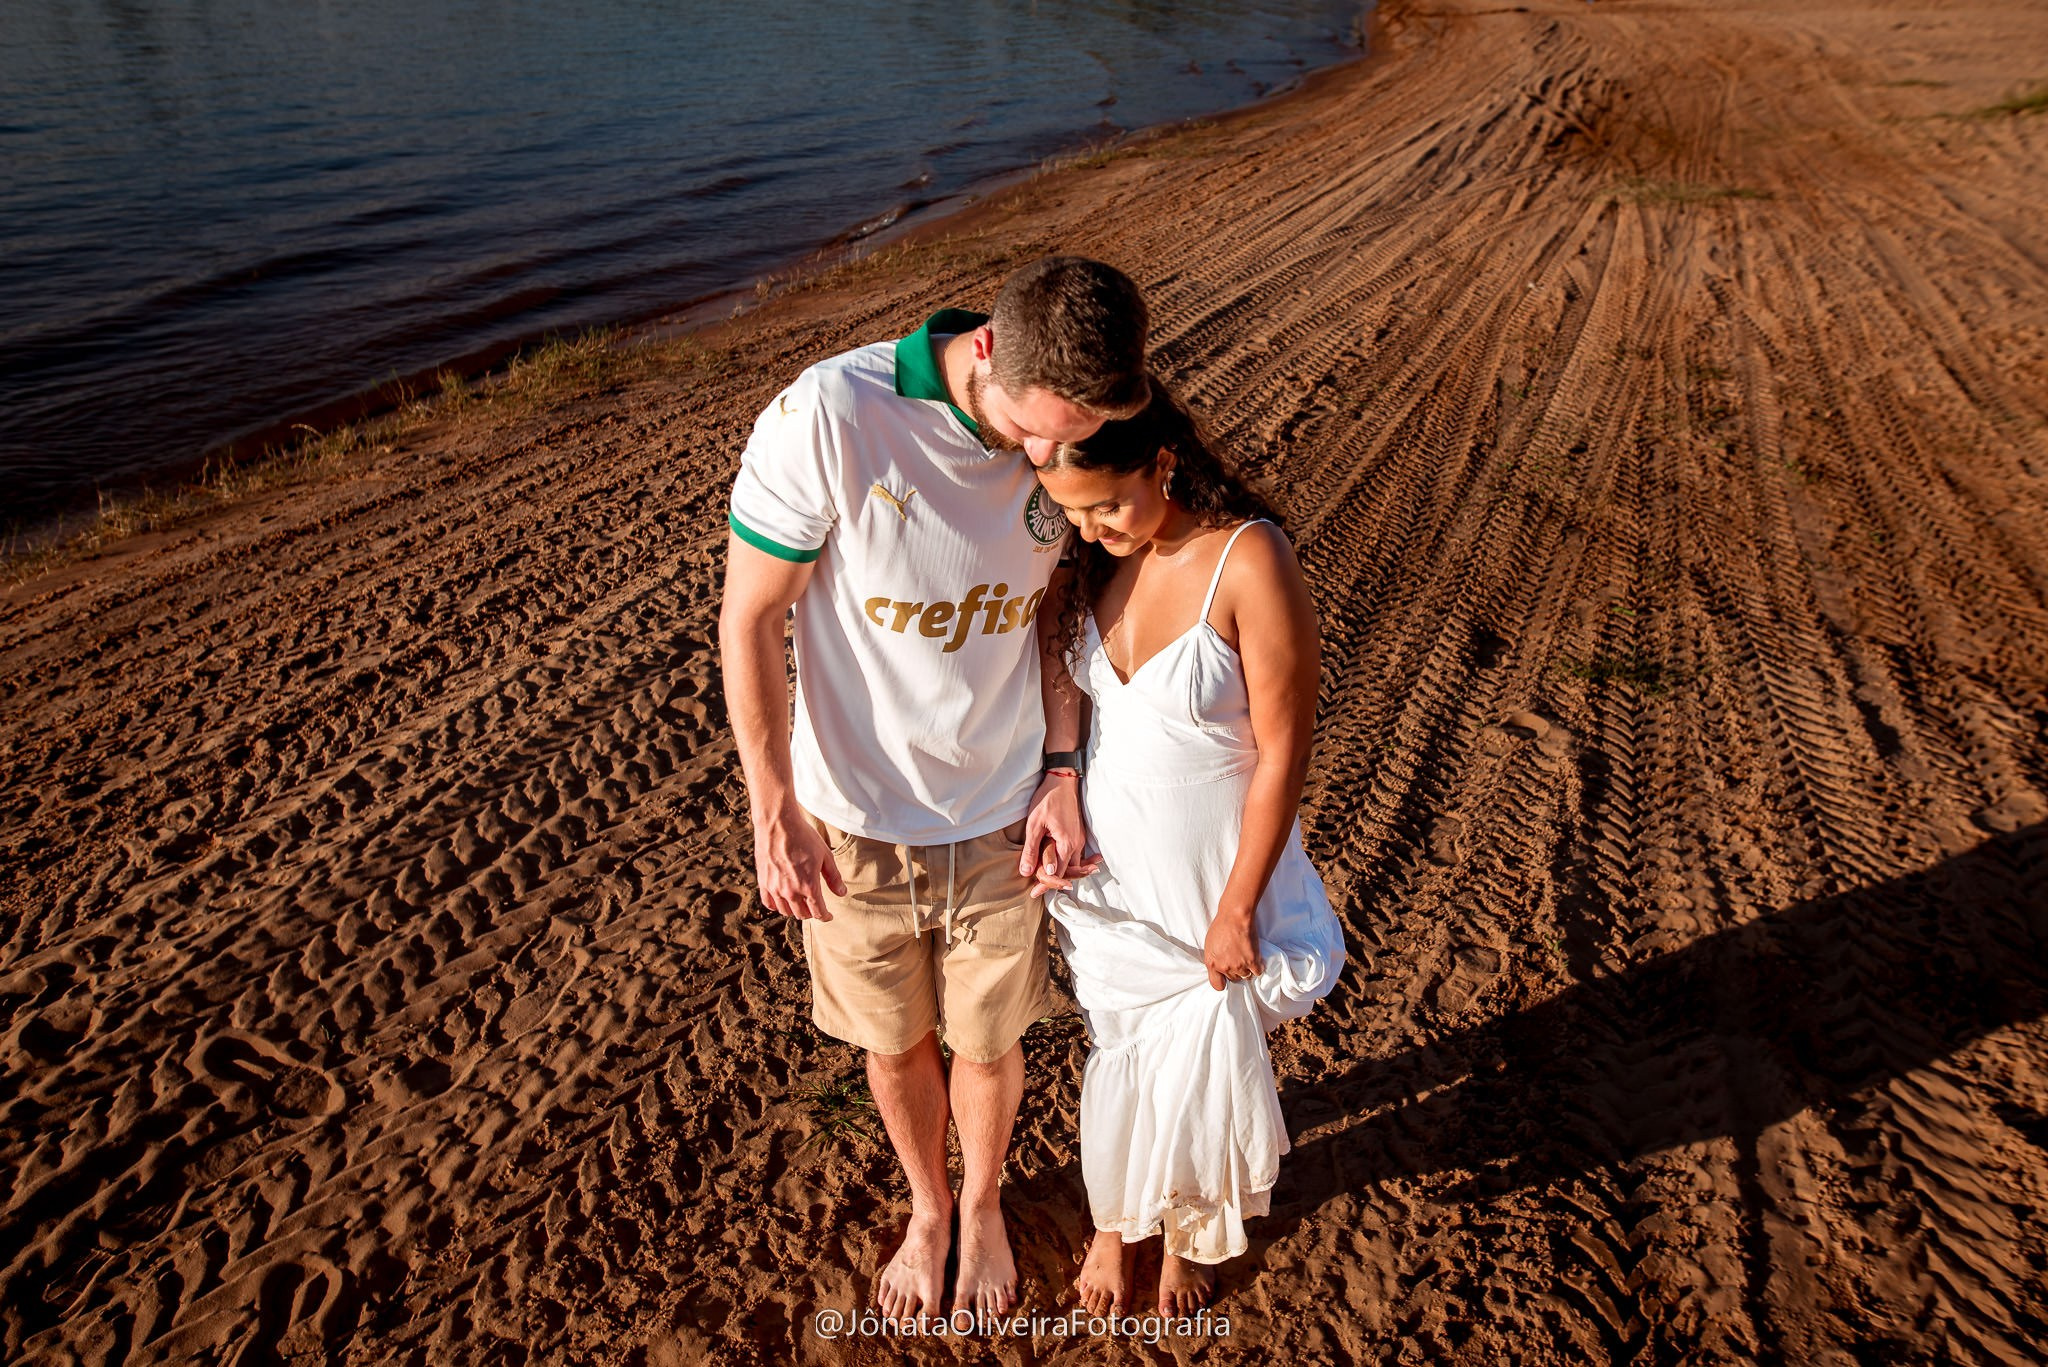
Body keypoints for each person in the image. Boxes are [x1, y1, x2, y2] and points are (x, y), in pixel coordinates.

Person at [718, 257, 1149, 1320]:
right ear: (989, 352)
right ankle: (926, 1207)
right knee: (892, 1039)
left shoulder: (1068, 429)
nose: (1053, 457)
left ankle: (989, 1201)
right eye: (1042, 428)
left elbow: (1059, 610)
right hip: (852, 819)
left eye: (1075, 434)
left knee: (989, 1041)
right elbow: (748, 618)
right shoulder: (830, 414)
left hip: (1000, 811)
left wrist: (1060, 766)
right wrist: (773, 804)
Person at [1032, 377, 1345, 1317]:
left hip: (1215, 871)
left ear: (1161, 461)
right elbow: (1067, 675)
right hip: (1114, 869)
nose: (1091, 531)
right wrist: (1058, 780)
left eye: (1106, 504)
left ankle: (1183, 1232)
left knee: (1203, 1049)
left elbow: (1287, 746)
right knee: (1124, 1045)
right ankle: (1112, 1223)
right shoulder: (1090, 561)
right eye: (1072, 515)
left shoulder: (1249, 559)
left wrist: (1239, 902)